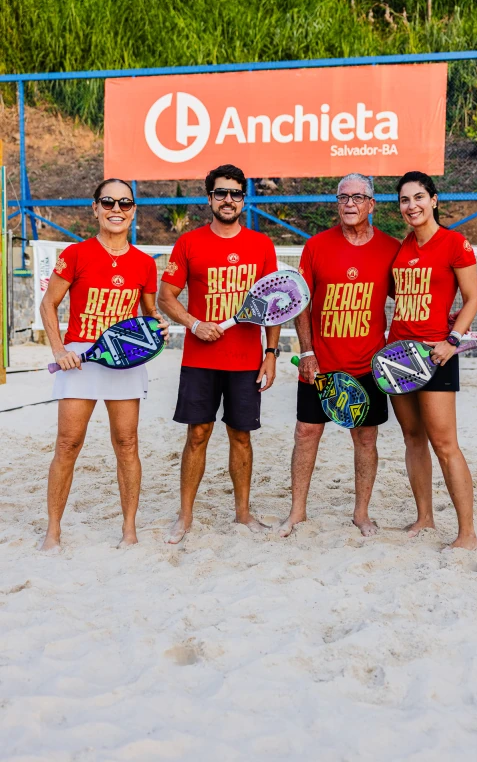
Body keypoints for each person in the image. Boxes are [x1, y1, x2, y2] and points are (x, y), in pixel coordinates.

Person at [39, 178, 168, 552]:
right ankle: (53, 532)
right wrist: (59, 349)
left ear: (133, 211)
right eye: (108, 202)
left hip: (124, 358)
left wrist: (158, 324)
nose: (116, 209)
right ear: (95, 207)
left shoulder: (144, 263)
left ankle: (129, 530)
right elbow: (48, 304)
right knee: (68, 444)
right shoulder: (75, 254)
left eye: (124, 203)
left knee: (127, 443)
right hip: (79, 359)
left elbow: (149, 314)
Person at [158, 163, 280, 543]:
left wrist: (271, 353)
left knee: (241, 437)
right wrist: (194, 323)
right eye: (221, 193)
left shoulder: (261, 245)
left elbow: (274, 304)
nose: (229, 200)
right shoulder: (189, 243)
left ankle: (243, 514)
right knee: (198, 434)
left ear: (244, 199)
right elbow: (165, 297)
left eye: (235, 194)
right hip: (200, 360)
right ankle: (185, 516)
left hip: (245, 360)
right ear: (209, 198)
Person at [279, 173, 401, 537]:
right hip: (320, 365)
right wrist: (307, 352)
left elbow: (409, 297)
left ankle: (361, 514)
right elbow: (301, 303)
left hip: (368, 366)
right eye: (343, 197)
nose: (350, 203)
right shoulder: (316, 246)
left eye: (358, 197)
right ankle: (297, 512)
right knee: (306, 433)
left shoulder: (390, 248)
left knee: (365, 439)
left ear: (371, 204)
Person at [388, 171, 477, 550]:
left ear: (434, 200)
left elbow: (472, 298)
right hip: (397, 356)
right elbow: (397, 294)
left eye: (419, 197)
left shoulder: (455, 243)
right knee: (413, 439)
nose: (412, 206)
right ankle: (424, 517)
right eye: (405, 200)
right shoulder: (401, 248)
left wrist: (452, 340)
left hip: (436, 354)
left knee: (444, 444)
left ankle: (467, 534)